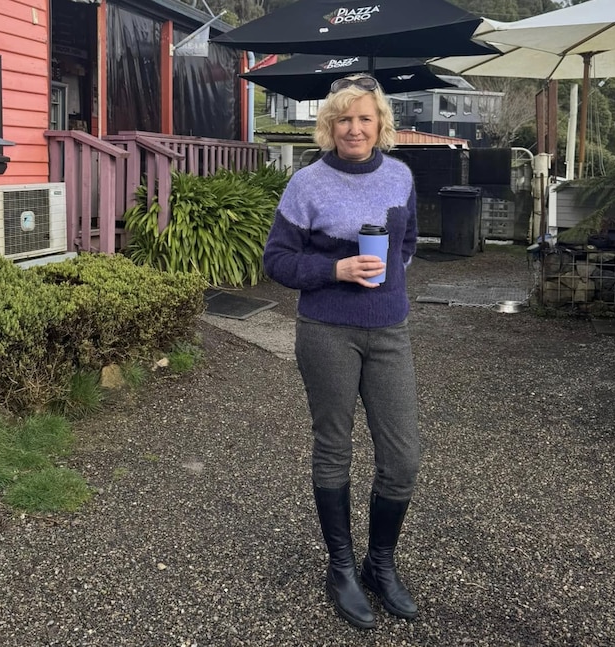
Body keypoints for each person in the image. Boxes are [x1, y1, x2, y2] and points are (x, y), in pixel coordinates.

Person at [263, 74, 420, 630]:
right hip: (326, 329)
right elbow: (277, 262)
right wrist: (337, 270)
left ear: (381, 125)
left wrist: (388, 280)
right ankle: (341, 566)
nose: (354, 128)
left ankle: (381, 563)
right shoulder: (307, 184)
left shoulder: (401, 176)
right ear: (329, 126)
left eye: (365, 118)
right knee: (334, 447)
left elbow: (406, 244)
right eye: (343, 119)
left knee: (402, 460)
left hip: (388, 331)